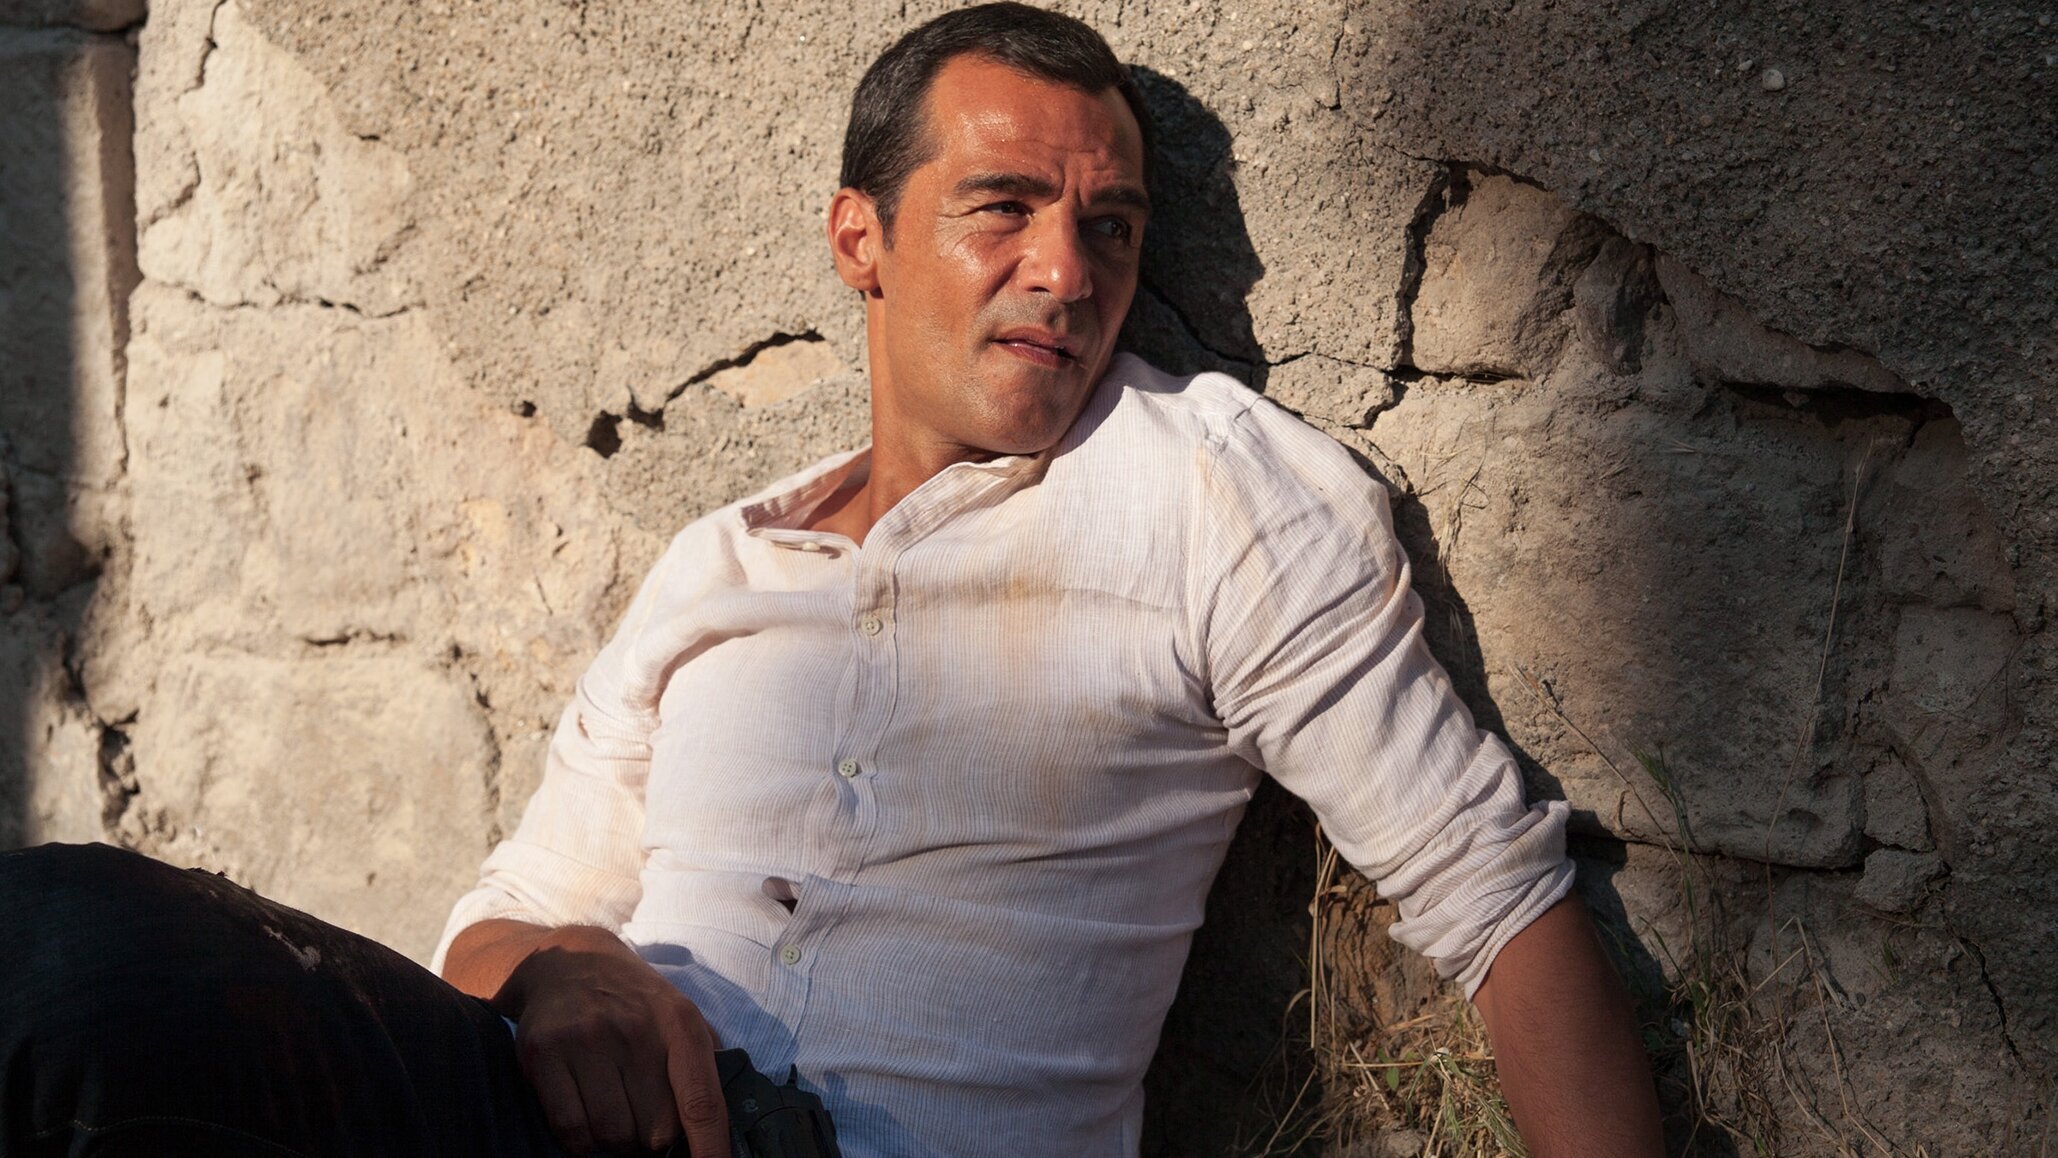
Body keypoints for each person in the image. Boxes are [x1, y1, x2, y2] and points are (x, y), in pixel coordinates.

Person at [0, 5, 1662, 1157]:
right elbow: (493, 926)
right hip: (565, 1129)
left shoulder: (1212, 494)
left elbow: (1500, 906)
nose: (1066, 270)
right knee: (63, 944)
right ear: (858, 239)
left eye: (1110, 227)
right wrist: (567, 973)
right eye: (1003, 208)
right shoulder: (716, 563)